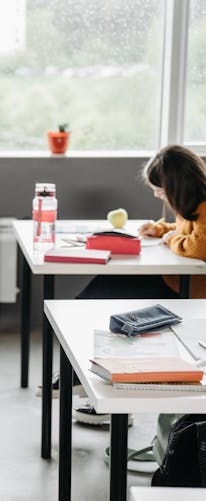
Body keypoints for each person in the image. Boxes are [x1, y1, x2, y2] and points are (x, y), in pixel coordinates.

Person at [70, 144, 206, 426]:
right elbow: (184, 230)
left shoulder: (204, 207)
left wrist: (171, 240)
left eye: (160, 189)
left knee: (113, 309)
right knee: (98, 294)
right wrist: (162, 229)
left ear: (176, 186)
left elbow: (198, 244)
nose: (157, 194)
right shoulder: (192, 207)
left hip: (186, 289)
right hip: (173, 279)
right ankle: (86, 377)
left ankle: (102, 393)